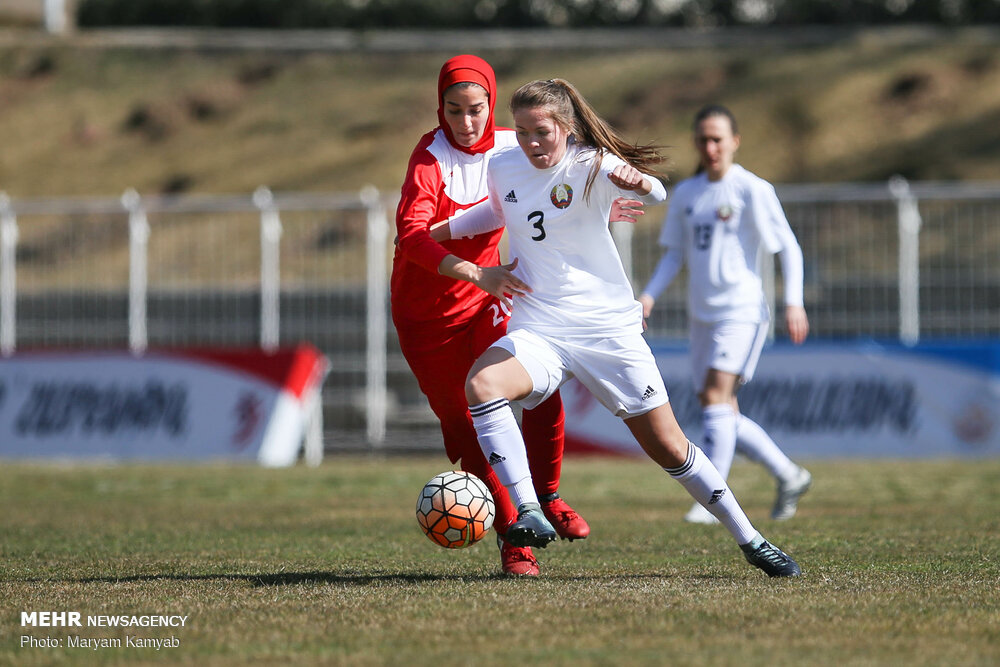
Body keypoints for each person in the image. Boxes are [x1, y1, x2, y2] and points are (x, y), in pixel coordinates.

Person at [435, 79, 801, 577]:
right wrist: (436, 234)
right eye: (520, 132)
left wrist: (636, 182)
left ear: (565, 128)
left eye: (540, 131)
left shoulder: (590, 163)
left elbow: (657, 189)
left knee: (669, 448)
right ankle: (528, 512)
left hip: (607, 332)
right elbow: (499, 208)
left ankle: (752, 538)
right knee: (482, 384)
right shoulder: (503, 165)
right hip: (540, 327)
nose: (530, 142)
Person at [392, 56, 641, 577]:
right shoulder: (430, 158)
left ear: (491, 103)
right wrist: (474, 271)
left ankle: (541, 502)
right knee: (469, 431)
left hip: (492, 296)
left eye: (476, 109)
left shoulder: (517, 140)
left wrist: (600, 206)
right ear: (439, 108)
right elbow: (411, 237)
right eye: (453, 110)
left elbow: (571, 177)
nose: (466, 122)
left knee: (539, 387)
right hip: (427, 317)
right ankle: (514, 534)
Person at [638, 104, 812, 524]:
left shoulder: (752, 189)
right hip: (702, 316)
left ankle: (711, 500)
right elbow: (675, 254)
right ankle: (789, 474)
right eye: (703, 139)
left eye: (718, 138)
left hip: (742, 310)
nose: (710, 146)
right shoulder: (686, 194)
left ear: (735, 141)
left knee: (716, 395)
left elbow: (787, 246)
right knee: (719, 406)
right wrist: (648, 295)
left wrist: (794, 301)